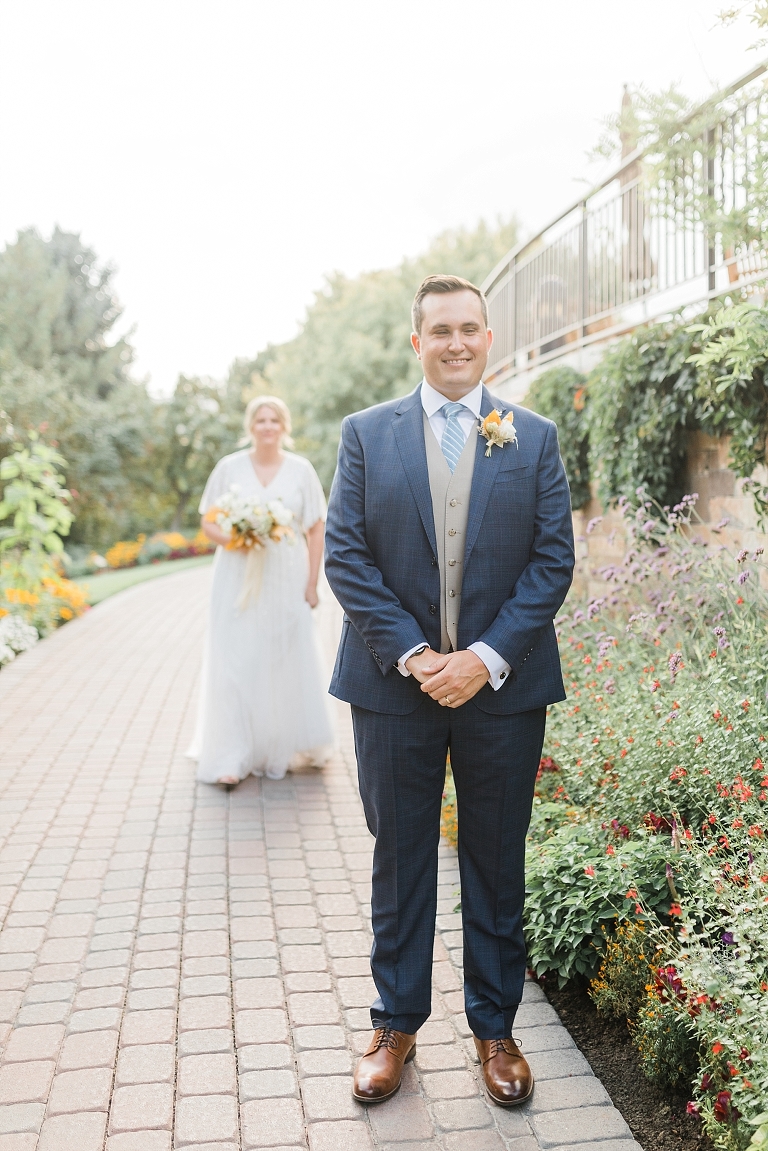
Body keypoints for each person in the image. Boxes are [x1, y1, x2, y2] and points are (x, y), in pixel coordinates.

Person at [324, 276, 574, 1107]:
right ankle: (394, 1024)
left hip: (504, 691)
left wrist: (486, 656)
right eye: (440, 330)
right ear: (416, 341)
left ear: (489, 337)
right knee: (399, 861)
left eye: (469, 328)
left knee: (497, 859)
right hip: (394, 690)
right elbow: (348, 557)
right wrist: (418, 657)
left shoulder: (532, 437)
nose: (456, 342)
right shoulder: (365, 435)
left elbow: (552, 562)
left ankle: (494, 1029)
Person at [188, 395, 333, 786]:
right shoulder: (229, 468)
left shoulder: (301, 470)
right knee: (236, 659)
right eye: (260, 420)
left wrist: (312, 582)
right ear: (250, 426)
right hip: (237, 578)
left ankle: (283, 745)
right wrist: (239, 538)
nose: (267, 426)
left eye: (274, 420)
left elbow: (315, 528)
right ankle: (231, 754)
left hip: (287, 575)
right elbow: (209, 523)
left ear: (284, 426)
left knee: (284, 655)